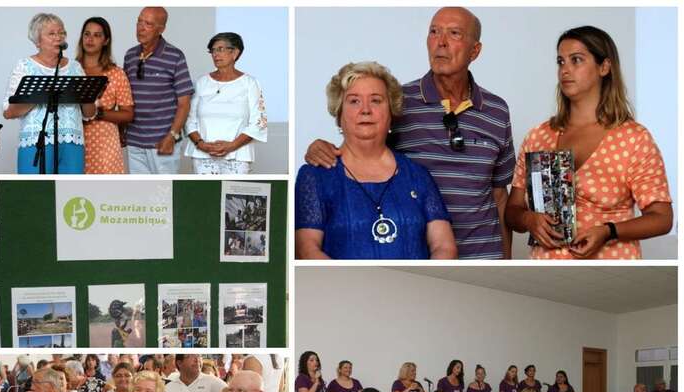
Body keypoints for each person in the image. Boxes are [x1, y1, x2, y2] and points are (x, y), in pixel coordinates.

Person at [305, 7, 515, 259]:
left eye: (454, 33)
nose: (441, 42)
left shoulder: (497, 110)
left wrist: (505, 260)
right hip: (422, 259)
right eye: (434, 32)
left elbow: (500, 195)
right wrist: (319, 147)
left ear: (475, 50)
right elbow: (362, 149)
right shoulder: (398, 103)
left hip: (483, 257)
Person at [505, 26, 672, 259]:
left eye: (576, 60)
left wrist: (609, 231)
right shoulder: (538, 136)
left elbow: (662, 218)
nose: (565, 70)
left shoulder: (633, 138)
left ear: (604, 67)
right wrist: (528, 219)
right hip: (545, 269)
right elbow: (512, 210)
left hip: (610, 267)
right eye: (561, 62)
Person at [296, 61, 456, 260]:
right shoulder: (315, 176)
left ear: (391, 112)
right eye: (354, 101)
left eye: (376, 100)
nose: (365, 110)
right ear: (339, 114)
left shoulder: (418, 175)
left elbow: (444, 247)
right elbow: (307, 250)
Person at [2, 13, 96, 174]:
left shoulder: (76, 68)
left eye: (61, 33)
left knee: (70, 192)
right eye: (52, 34)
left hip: (72, 143)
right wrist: (40, 95)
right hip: (35, 143)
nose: (58, 38)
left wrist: (88, 95)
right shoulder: (24, 66)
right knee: (34, 193)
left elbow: (89, 114)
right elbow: (8, 112)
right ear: (37, 41)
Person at [184, 32, 268, 174]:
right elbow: (189, 119)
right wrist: (201, 144)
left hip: (237, 155)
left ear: (235, 52)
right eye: (213, 50)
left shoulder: (250, 83)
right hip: (203, 155)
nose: (216, 54)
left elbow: (258, 122)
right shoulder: (201, 82)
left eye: (221, 49)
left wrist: (231, 146)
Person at [124, 7, 193, 174]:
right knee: (140, 196)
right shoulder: (130, 55)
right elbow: (125, 98)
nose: (141, 27)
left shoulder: (175, 56)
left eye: (148, 23)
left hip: (163, 142)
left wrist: (172, 136)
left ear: (161, 29)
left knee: (163, 194)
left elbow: (184, 103)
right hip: (134, 141)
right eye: (139, 21)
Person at [76, 16, 134, 173]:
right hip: (73, 142)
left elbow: (128, 115)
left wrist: (97, 113)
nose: (90, 39)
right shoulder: (70, 70)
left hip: (105, 144)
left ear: (106, 41)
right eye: (87, 34)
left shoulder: (116, 73)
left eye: (97, 35)